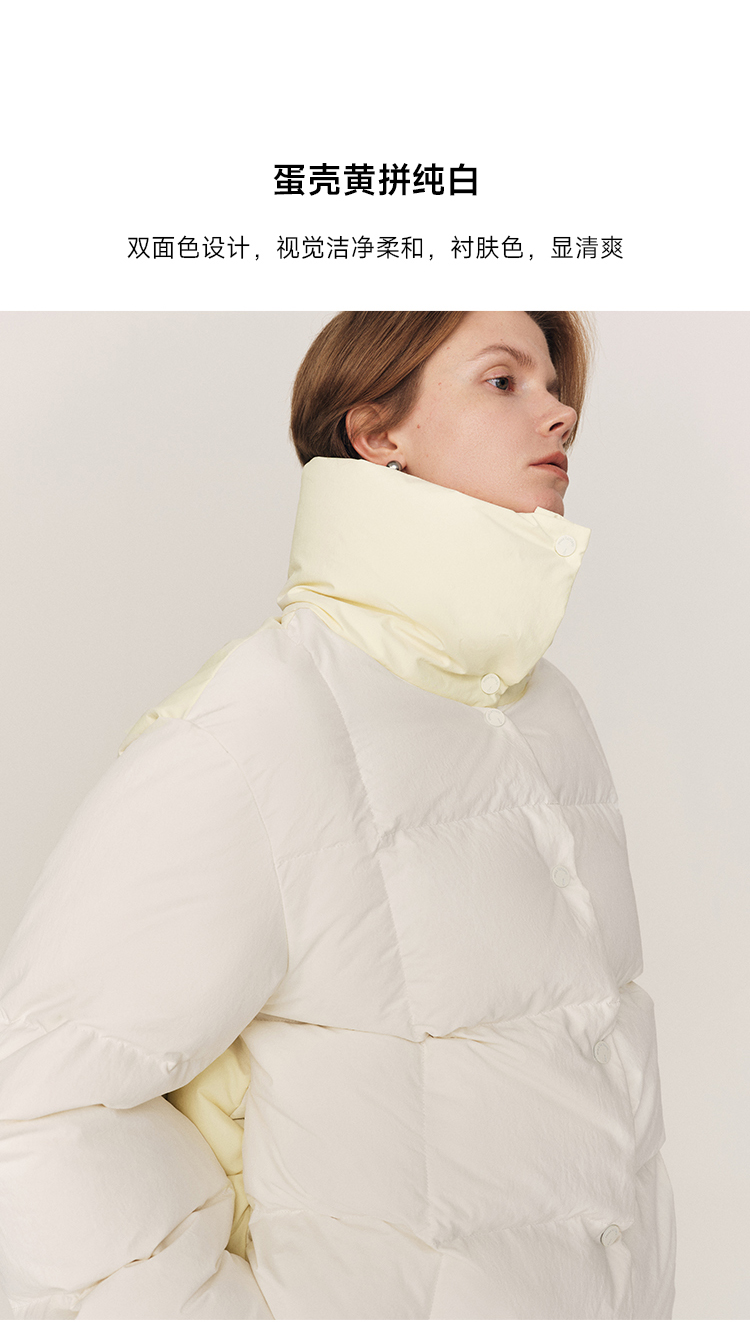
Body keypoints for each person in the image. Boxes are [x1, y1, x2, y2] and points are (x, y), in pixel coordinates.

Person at [0, 310, 676, 1320]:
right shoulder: (264, 728)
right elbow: (39, 1107)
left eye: (554, 384)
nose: (560, 412)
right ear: (376, 432)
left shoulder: (547, 712)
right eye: (504, 381)